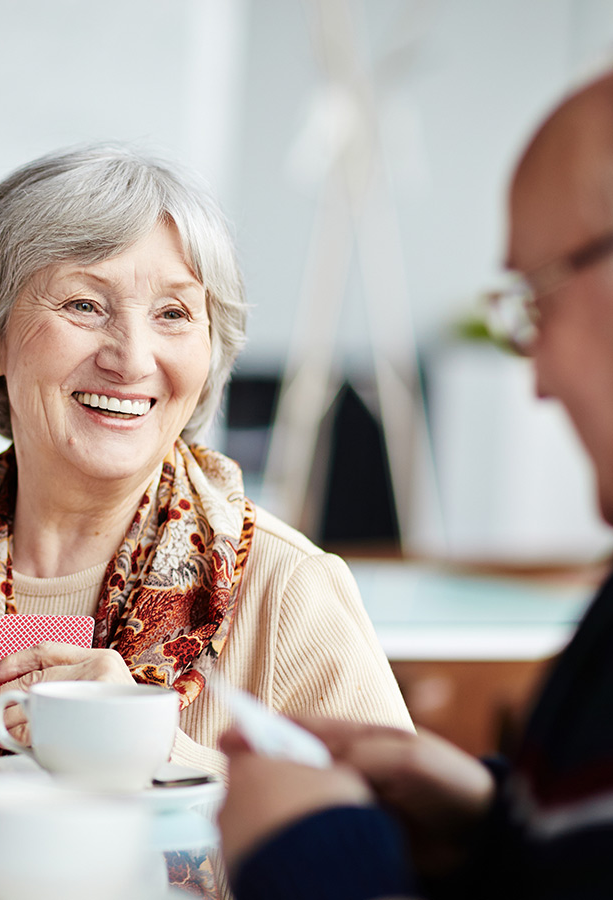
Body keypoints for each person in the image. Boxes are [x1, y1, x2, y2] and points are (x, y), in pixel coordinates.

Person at [0, 143, 411, 773]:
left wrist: (161, 753)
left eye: (173, 312)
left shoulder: (289, 588)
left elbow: (400, 848)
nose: (131, 358)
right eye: (84, 305)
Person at [218, 70, 613, 899]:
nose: (534, 376)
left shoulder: (293, 581)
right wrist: (490, 815)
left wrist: (315, 853)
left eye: (537, 300)